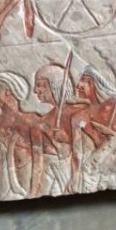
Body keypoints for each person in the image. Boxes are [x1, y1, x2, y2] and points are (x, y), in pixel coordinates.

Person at [66, 66, 116, 192]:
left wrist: (113, 135)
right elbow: (77, 152)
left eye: (85, 81)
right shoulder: (79, 118)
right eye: (81, 80)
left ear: (95, 84)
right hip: (99, 165)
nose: (78, 85)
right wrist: (74, 178)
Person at [29, 63, 83, 196]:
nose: (35, 90)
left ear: (55, 85)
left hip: (73, 178)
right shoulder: (44, 120)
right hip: (49, 180)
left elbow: (82, 152)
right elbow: (38, 160)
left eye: (40, 85)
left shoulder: (79, 114)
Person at [0, 71, 39, 200]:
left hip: (28, 183)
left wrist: (34, 192)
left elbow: (38, 159)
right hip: (5, 190)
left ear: (8, 91)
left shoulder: (32, 122)